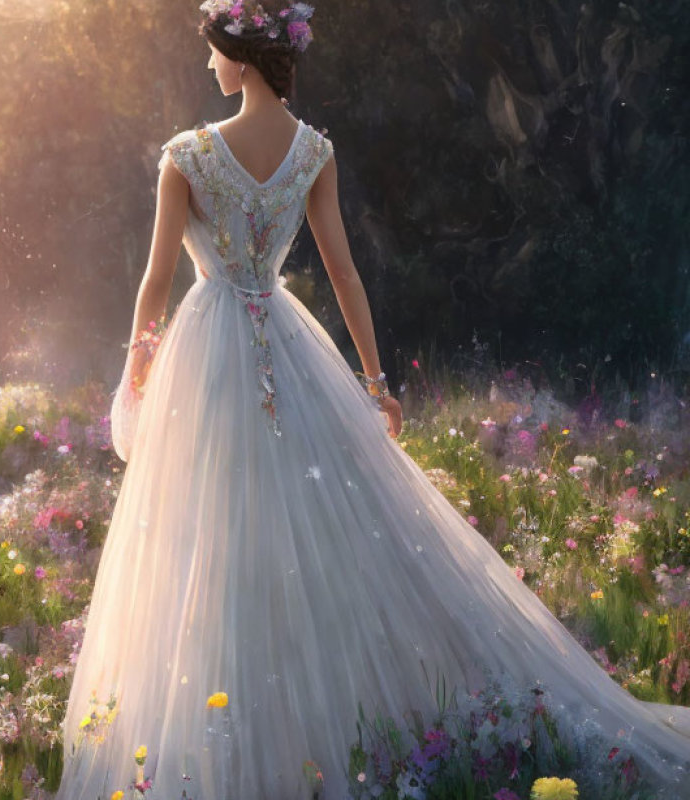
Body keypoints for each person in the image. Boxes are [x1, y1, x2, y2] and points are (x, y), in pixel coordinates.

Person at [54, 2, 690, 797]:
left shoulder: (187, 155)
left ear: (243, 59)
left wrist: (135, 370)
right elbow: (345, 273)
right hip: (289, 345)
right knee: (311, 525)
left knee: (210, 531)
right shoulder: (313, 150)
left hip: (207, 352)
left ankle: (226, 739)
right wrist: (376, 383)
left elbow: (154, 283)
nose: (210, 68)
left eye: (216, 53)